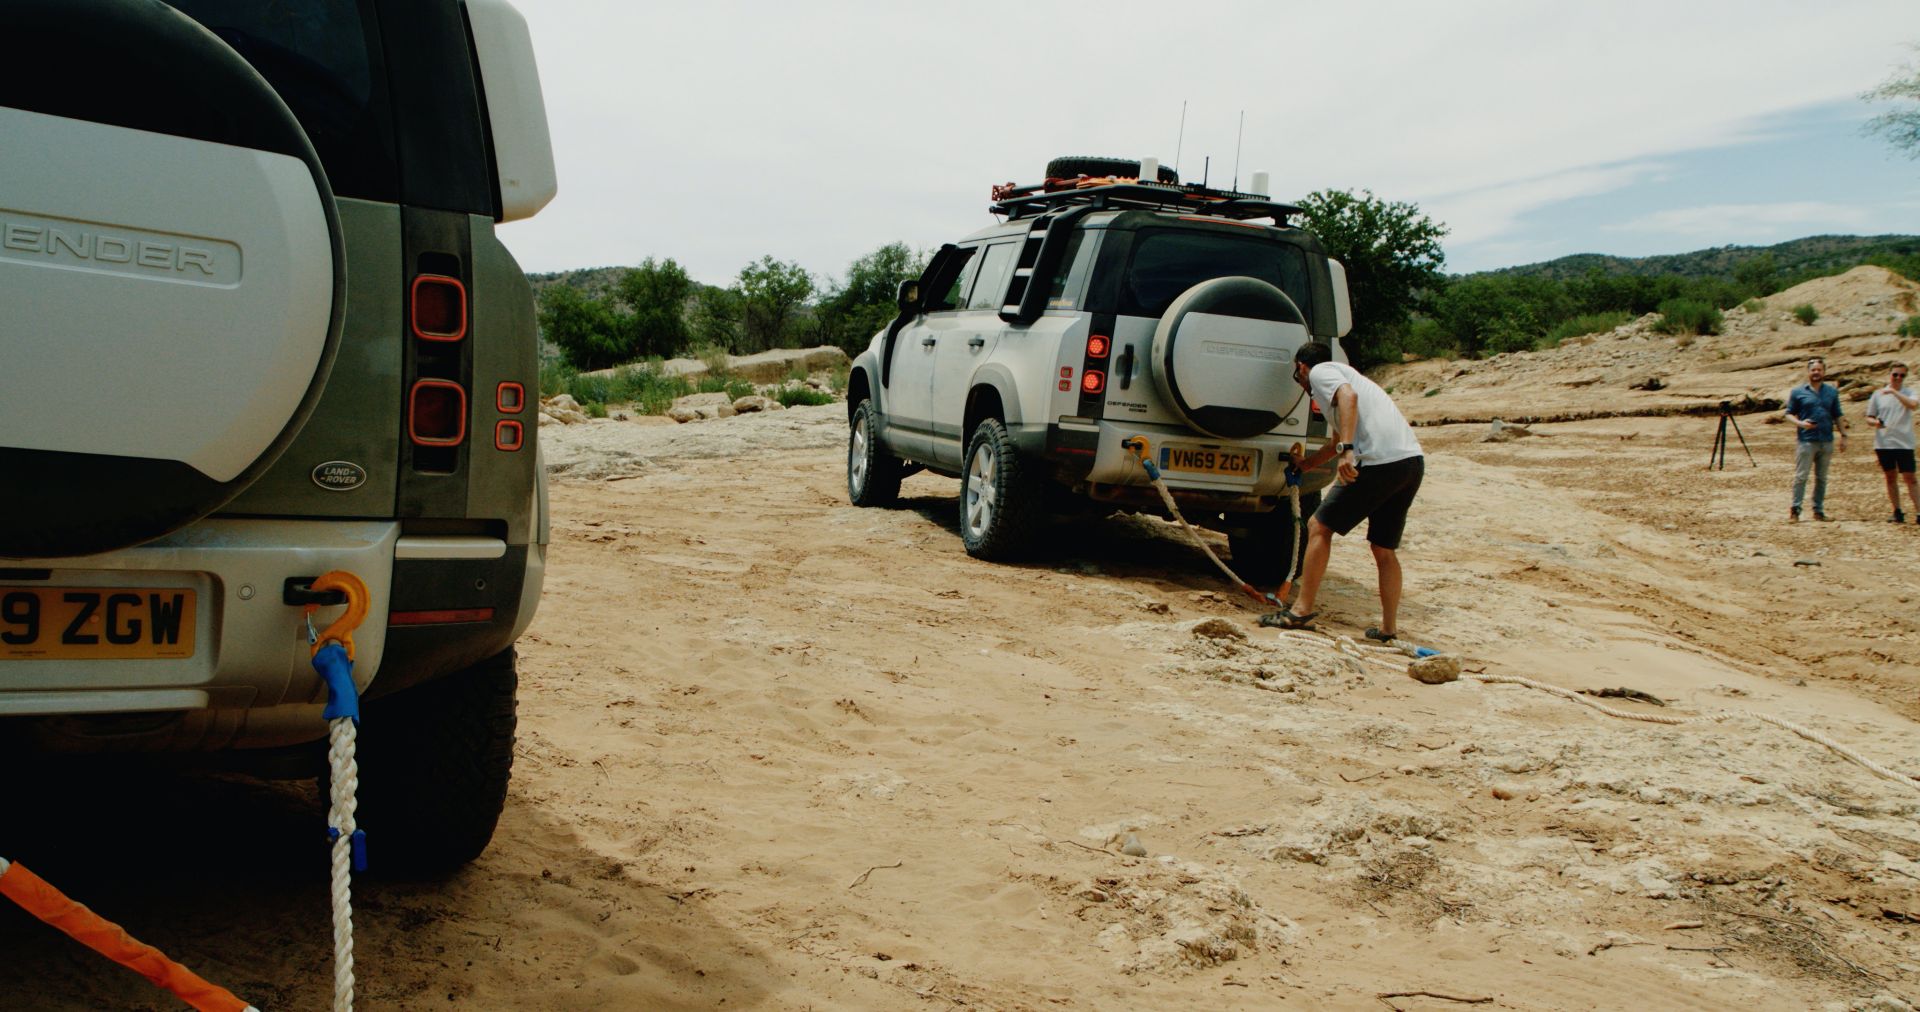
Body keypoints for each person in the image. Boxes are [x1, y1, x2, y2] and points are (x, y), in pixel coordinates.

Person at [1261, 342, 1425, 639]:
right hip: (1409, 462)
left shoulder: (1322, 373)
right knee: (1383, 549)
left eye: (1296, 376)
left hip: (1378, 462)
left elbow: (1348, 401)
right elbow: (1336, 438)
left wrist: (1348, 452)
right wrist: (1307, 464)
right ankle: (1388, 629)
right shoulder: (1344, 377)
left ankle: (1300, 610)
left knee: (1319, 526)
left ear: (1301, 367)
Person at [1784, 357, 1846, 521]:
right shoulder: (1798, 392)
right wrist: (1800, 423)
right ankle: (1795, 510)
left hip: (1826, 440)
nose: (1816, 373)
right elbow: (1788, 413)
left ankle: (1818, 510)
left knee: (1822, 478)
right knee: (1801, 476)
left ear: (1824, 371)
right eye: (1813, 370)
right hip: (1806, 441)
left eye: (1819, 370)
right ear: (1808, 372)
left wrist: (1844, 435)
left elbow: (1837, 415)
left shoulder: (1832, 392)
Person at [1866, 361, 1919, 523]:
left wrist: (1894, 392)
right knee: (1890, 477)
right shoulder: (1877, 394)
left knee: (1910, 478)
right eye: (1895, 374)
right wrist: (1875, 423)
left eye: (1902, 375)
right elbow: (1869, 416)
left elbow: (1913, 405)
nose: (1898, 378)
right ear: (1889, 374)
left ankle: (1918, 512)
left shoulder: (1910, 392)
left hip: (1904, 443)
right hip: (1884, 443)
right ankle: (1897, 511)